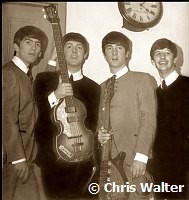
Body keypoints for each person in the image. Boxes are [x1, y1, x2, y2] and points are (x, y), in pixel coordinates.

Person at [34, 32, 101, 199]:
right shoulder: (43, 79)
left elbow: (92, 124)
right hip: (52, 159)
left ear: (85, 54)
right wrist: (55, 95)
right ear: (61, 52)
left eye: (79, 48)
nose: (74, 51)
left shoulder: (94, 87)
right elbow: (36, 113)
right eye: (69, 47)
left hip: (83, 160)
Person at [97, 31, 157, 200]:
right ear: (104, 54)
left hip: (134, 160)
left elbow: (149, 119)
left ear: (128, 53)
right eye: (109, 48)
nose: (114, 53)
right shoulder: (102, 87)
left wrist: (141, 156)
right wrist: (100, 135)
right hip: (109, 163)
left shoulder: (143, 79)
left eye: (119, 48)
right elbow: (100, 123)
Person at [2, 25, 48, 200]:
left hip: (26, 155)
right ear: (16, 46)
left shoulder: (26, 74)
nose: (34, 48)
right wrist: (18, 159)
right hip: (13, 158)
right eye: (28, 42)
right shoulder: (9, 74)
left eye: (37, 45)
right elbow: (6, 119)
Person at [150, 38, 189, 199]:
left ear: (175, 58)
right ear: (153, 62)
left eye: (167, 53)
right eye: (158, 54)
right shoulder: (154, 94)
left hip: (184, 168)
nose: (163, 57)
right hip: (160, 166)